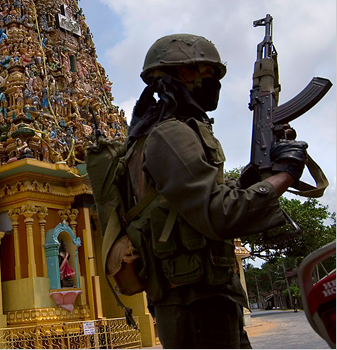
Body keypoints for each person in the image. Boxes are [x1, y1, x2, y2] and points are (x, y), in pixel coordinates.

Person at [104, 34, 307, 348]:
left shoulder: (169, 131)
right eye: (210, 73)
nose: (217, 83)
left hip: (202, 301)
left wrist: (252, 177)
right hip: (196, 307)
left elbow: (196, 204)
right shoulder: (171, 134)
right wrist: (284, 177)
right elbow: (218, 214)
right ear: (186, 74)